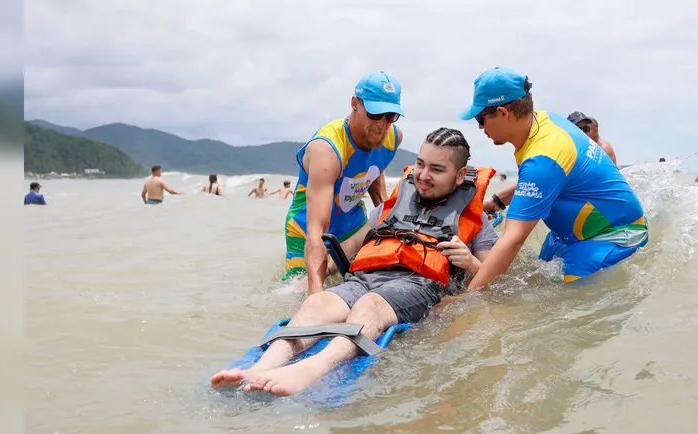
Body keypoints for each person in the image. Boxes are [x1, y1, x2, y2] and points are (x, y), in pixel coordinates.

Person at [211, 128, 496, 396]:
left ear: (459, 175)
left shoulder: (476, 221)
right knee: (317, 302)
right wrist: (314, 275)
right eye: (420, 164)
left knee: (369, 305)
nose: (423, 175)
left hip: (417, 284)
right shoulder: (393, 206)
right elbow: (352, 246)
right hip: (364, 278)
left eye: (436, 169)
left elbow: (495, 279)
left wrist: (470, 263)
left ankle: (314, 368)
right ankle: (261, 367)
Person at [459, 67, 648, 288]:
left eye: (480, 119)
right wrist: (497, 202)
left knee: (565, 305)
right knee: (532, 277)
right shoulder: (546, 121)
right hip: (574, 233)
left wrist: (464, 303)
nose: (481, 127)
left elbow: (513, 240)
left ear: (503, 112)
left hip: (611, 239)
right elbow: (549, 178)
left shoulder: (543, 158)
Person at [282, 71, 405, 291]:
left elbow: (377, 191)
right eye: (375, 114)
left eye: (390, 116)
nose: (382, 124)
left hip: (352, 226)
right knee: (298, 292)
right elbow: (317, 229)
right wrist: (316, 295)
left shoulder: (393, 137)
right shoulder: (327, 150)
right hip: (307, 231)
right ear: (355, 103)